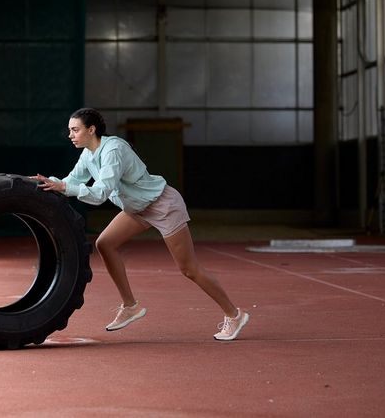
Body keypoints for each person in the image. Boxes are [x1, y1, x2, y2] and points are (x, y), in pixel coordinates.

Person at [31, 107, 249, 341]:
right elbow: (71, 181)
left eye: (75, 130)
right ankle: (130, 306)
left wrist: (64, 188)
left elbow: (100, 194)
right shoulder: (88, 154)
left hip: (163, 205)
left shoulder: (113, 149)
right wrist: (50, 182)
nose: (70, 135)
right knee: (105, 244)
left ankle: (234, 315)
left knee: (189, 269)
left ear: (91, 129)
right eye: (70, 131)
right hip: (137, 208)